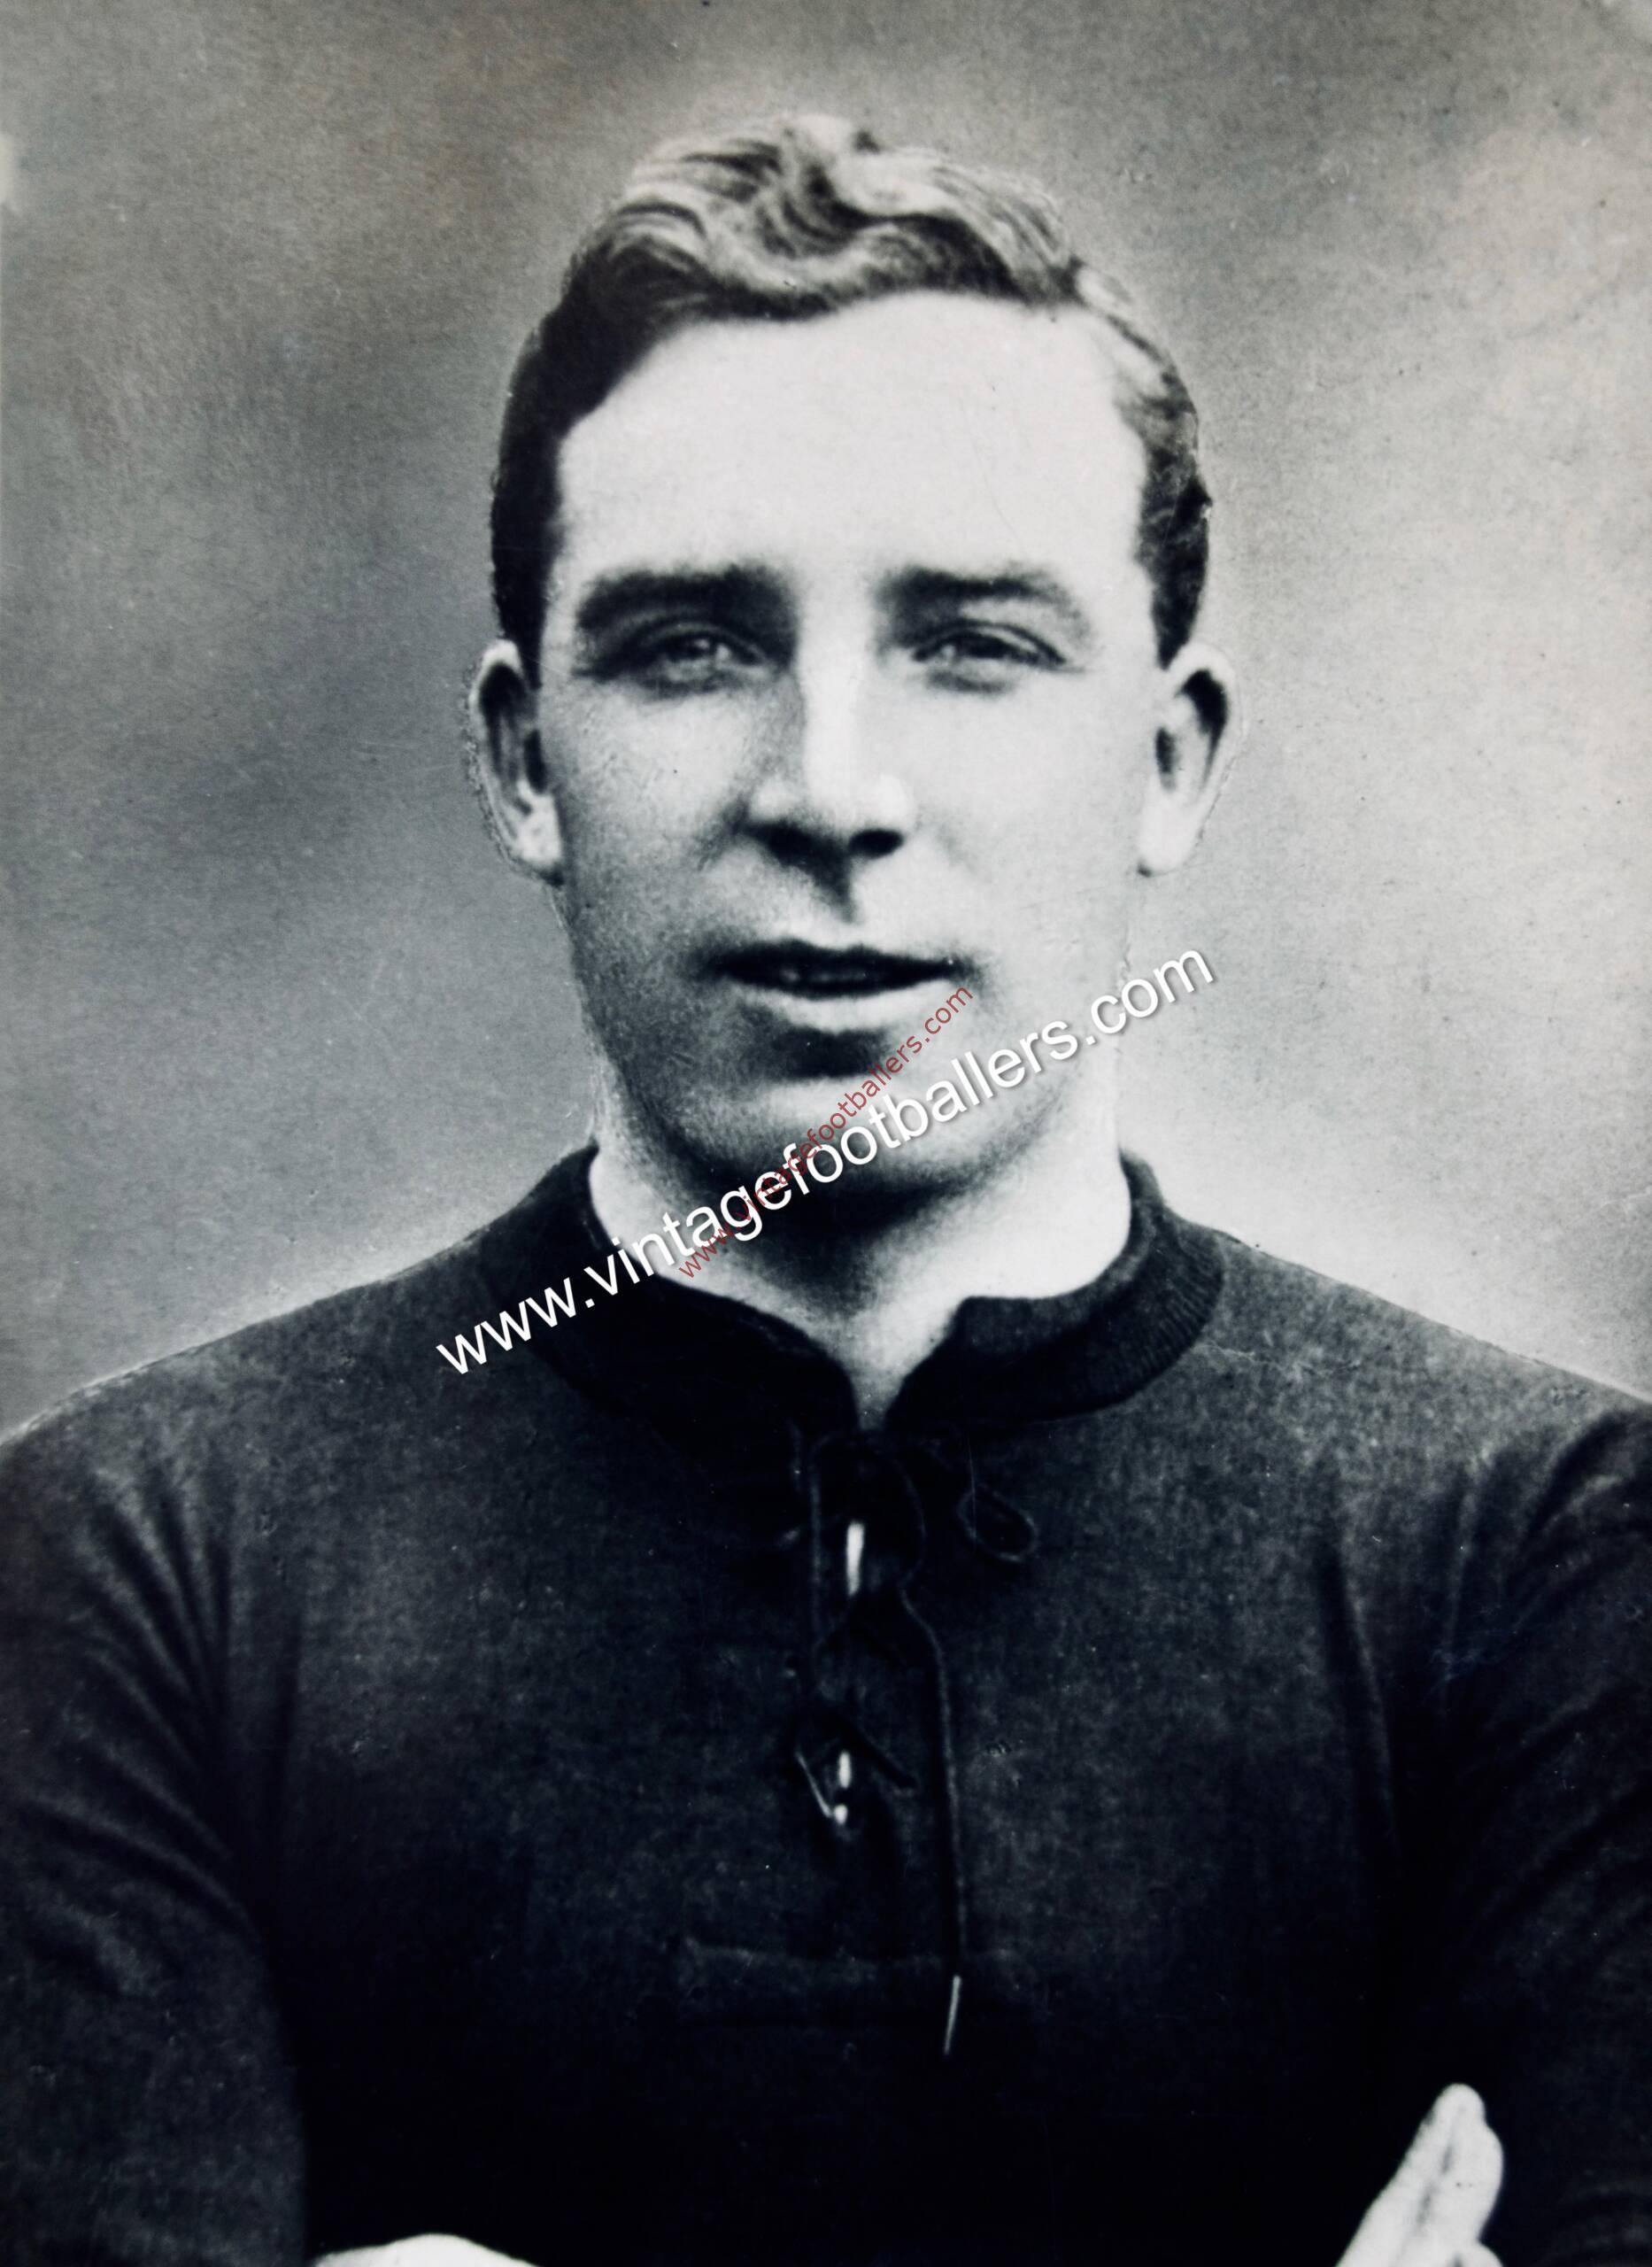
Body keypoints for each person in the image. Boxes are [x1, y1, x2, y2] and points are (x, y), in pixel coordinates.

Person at [1, 115, 1647, 2267]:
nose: (833, 792)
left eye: (973, 643)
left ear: (1163, 763)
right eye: (696, 643)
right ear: (524, 759)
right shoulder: (145, 1562)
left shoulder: (1554, 1558)